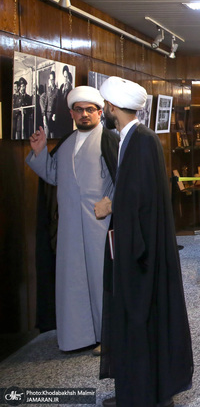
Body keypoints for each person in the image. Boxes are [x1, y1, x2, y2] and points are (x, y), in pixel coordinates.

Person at [97, 76, 193, 407]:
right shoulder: (136, 138)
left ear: (111, 107)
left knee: (140, 316)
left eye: (105, 106)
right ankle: (139, 388)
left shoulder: (139, 140)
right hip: (140, 243)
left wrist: (111, 206)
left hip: (140, 249)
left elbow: (139, 200)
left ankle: (142, 392)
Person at [25, 86, 118, 353]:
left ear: (100, 112)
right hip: (70, 227)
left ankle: (109, 337)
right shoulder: (66, 142)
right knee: (73, 281)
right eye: (79, 110)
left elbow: (124, 177)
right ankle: (80, 336)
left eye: (90, 110)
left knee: (101, 281)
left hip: (100, 225)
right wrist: (40, 152)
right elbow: (53, 176)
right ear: (71, 114)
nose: (85, 114)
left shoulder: (110, 141)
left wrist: (111, 203)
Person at [41, 70, 58, 138]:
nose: (51, 81)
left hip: (53, 116)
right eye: (50, 79)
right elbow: (46, 103)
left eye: (52, 79)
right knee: (46, 134)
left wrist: (55, 114)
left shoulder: (57, 91)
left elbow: (57, 104)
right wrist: (44, 115)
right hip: (47, 115)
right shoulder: (48, 90)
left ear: (54, 80)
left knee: (52, 135)